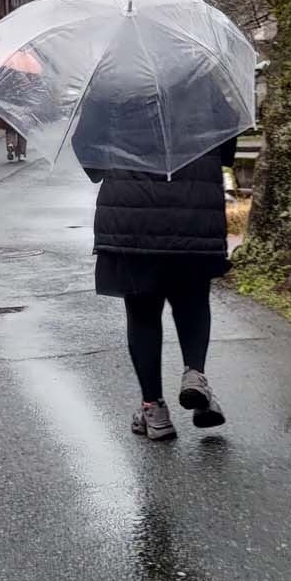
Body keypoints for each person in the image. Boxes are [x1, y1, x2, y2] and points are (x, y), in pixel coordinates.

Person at [75, 82, 234, 442]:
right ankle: (195, 374)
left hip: (131, 216)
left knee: (143, 312)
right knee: (193, 301)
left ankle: (154, 410)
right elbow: (227, 143)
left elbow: (88, 153)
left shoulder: (111, 81)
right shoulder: (197, 72)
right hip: (195, 211)